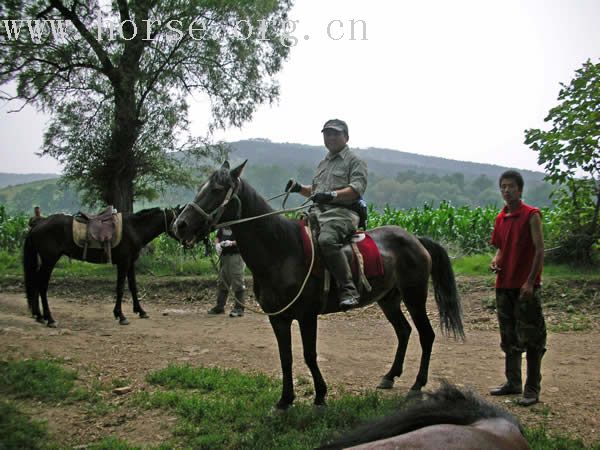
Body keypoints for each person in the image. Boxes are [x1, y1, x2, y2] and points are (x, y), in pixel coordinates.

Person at [285, 119, 368, 309]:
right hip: (317, 213)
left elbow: (356, 190)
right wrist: (298, 188)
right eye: (327, 134)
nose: (330, 137)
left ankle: (348, 289)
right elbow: (315, 192)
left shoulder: (355, 161)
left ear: (346, 137)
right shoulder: (324, 163)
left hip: (342, 214)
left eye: (335, 133)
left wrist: (331, 195)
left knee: (326, 241)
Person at [489, 170, 546, 406]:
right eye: (503, 186)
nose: (506, 190)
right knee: (509, 336)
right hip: (504, 285)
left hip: (525, 287)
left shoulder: (532, 215)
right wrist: (496, 260)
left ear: (520, 190)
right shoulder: (501, 218)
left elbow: (540, 250)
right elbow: (501, 248)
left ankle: (532, 389)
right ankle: (513, 383)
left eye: (511, 186)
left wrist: (531, 281)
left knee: (532, 338)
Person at [208, 227, 246, 317]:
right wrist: (217, 244)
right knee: (222, 281)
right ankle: (220, 307)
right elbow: (218, 237)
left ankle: (239, 308)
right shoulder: (222, 228)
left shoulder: (238, 227)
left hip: (236, 256)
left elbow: (244, 240)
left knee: (237, 281)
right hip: (224, 257)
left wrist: (231, 243)